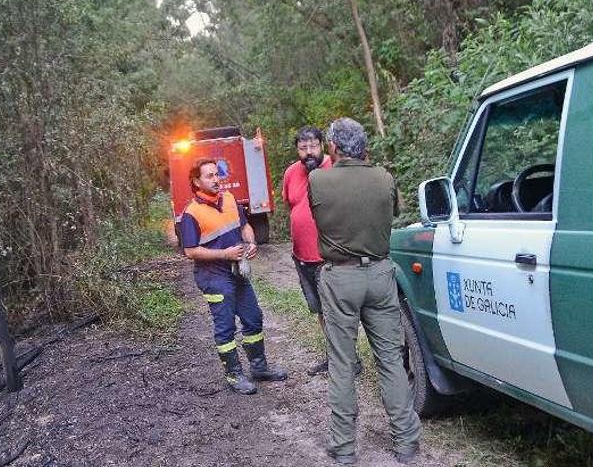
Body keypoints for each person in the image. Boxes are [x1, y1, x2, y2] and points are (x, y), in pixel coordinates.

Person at [308, 118, 421, 465]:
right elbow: (394, 212)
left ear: (334, 147)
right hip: (380, 274)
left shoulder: (318, 180)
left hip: (339, 278)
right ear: (364, 146)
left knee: (342, 364)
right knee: (390, 359)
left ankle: (344, 449)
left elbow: (317, 217)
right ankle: (405, 443)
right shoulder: (384, 178)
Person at [180, 158, 288, 394]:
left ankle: (259, 368)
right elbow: (190, 251)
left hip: (237, 271)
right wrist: (224, 253)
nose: (216, 179)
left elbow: (244, 225)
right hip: (213, 276)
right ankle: (234, 375)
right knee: (225, 326)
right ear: (196, 181)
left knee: (253, 318)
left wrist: (250, 242)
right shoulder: (191, 213)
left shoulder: (228, 199)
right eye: (209, 176)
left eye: (216, 174)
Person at [282, 126, 363, 377]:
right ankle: (334, 358)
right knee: (320, 311)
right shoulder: (291, 173)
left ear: (323, 146)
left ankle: (351, 361)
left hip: (331, 257)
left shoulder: (337, 169)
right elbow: (290, 206)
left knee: (337, 311)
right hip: (302, 257)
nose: (308, 152)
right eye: (302, 147)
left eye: (313, 146)